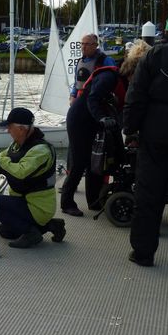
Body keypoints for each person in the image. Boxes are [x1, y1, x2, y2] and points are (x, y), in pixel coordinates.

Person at [123, 17, 168, 267]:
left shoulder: (153, 57)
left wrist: (130, 130)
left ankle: (143, 253)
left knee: (149, 194)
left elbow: (136, 95)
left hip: (156, 133)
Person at [60, 33, 119, 217]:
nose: (83, 47)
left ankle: (93, 201)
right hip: (80, 114)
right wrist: (73, 95)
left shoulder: (106, 62)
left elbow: (102, 90)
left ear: (96, 45)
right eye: (81, 44)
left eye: (87, 44)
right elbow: (81, 87)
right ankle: (67, 202)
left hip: (92, 114)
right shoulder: (81, 61)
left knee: (96, 161)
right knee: (79, 162)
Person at [0, 107, 65, 248]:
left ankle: (31, 233)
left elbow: (21, 171)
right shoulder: (15, 145)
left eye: (9, 128)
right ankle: (52, 225)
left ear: (21, 129)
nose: (7, 131)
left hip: (37, 207)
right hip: (23, 201)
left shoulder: (41, 150)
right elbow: (2, 159)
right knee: (5, 231)